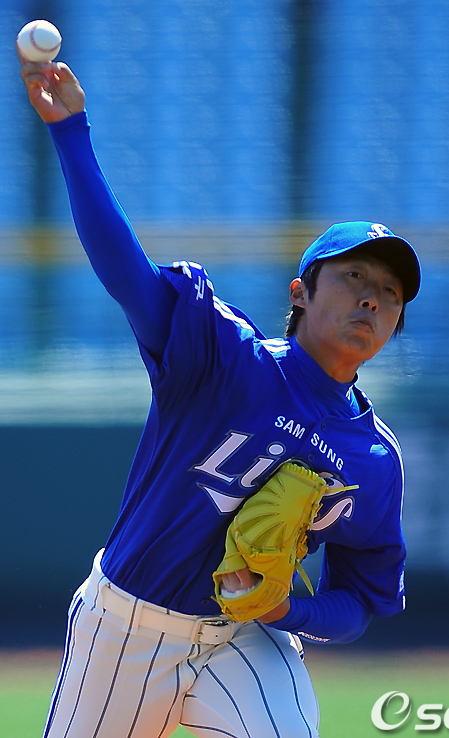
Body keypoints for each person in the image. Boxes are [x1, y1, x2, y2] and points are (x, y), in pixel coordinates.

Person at [19, 53, 421, 738]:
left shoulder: (374, 459)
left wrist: (284, 612)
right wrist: (70, 132)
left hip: (244, 640)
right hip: (125, 628)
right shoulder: (223, 358)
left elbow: (358, 600)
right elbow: (126, 273)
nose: (371, 299)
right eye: (353, 276)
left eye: (390, 292)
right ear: (300, 294)